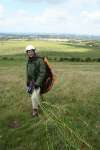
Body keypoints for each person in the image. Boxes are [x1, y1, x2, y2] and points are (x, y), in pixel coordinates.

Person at [25, 45, 46, 117]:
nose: (30, 53)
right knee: (33, 95)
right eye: (28, 52)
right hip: (31, 83)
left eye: (31, 51)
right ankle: (41, 104)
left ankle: (35, 111)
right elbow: (28, 72)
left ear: (34, 51)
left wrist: (37, 83)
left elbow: (42, 73)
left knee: (34, 97)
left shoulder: (39, 60)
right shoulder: (29, 61)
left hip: (37, 82)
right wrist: (27, 82)